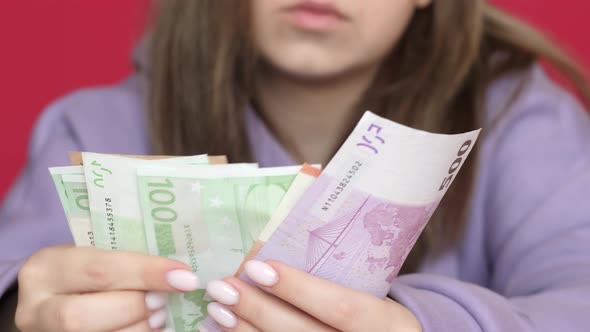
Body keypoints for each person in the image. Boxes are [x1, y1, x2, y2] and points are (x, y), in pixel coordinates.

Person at [1, 0, 590, 331]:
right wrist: (21, 312)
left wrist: (424, 325)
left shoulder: (527, 122)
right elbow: (18, 273)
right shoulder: (91, 127)